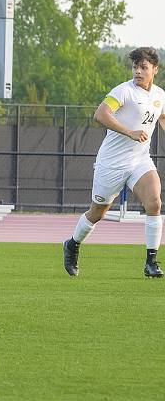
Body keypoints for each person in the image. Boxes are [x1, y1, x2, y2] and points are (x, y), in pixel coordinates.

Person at [64, 47, 164, 278]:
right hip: (111, 163)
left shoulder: (160, 95)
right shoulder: (123, 91)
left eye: (143, 67)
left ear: (155, 70)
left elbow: (162, 117)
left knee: (154, 202)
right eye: (135, 67)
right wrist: (129, 132)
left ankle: (151, 262)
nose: (138, 71)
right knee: (97, 212)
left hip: (139, 160)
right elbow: (100, 114)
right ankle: (72, 244)